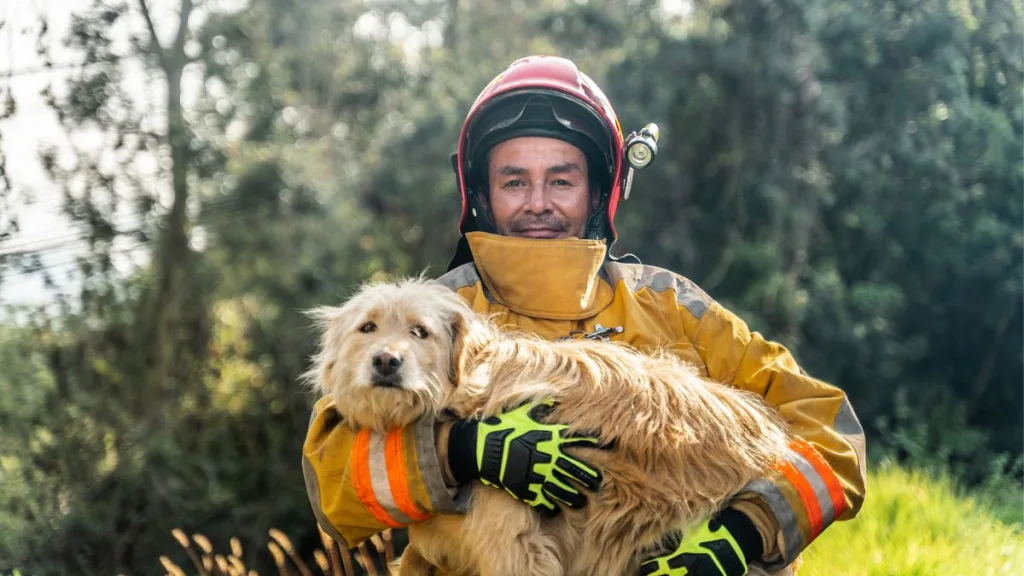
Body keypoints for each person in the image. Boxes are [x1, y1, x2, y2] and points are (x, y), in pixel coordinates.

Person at [302, 55, 867, 576]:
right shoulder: (437, 314)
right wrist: (457, 451)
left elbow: (831, 432)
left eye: (562, 180)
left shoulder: (672, 306)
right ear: (481, 193)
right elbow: (333, 485)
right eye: (515, 181)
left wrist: (738, 538)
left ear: (601, 192)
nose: (539, 202)